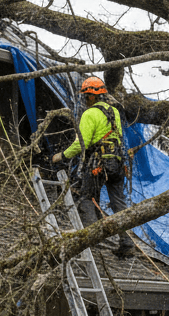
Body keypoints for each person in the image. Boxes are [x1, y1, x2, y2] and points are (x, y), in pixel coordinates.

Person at [54, 76, 135, 257]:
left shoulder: (89, 114)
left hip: (98, 163)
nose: (85, 100)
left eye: (86, 96)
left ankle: (91, 240)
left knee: (87, 199)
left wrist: (61, 156)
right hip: (117, 163)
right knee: (118, 202)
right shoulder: (114, 112)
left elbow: (80, 144)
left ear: (90, 96)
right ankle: (127, 243)